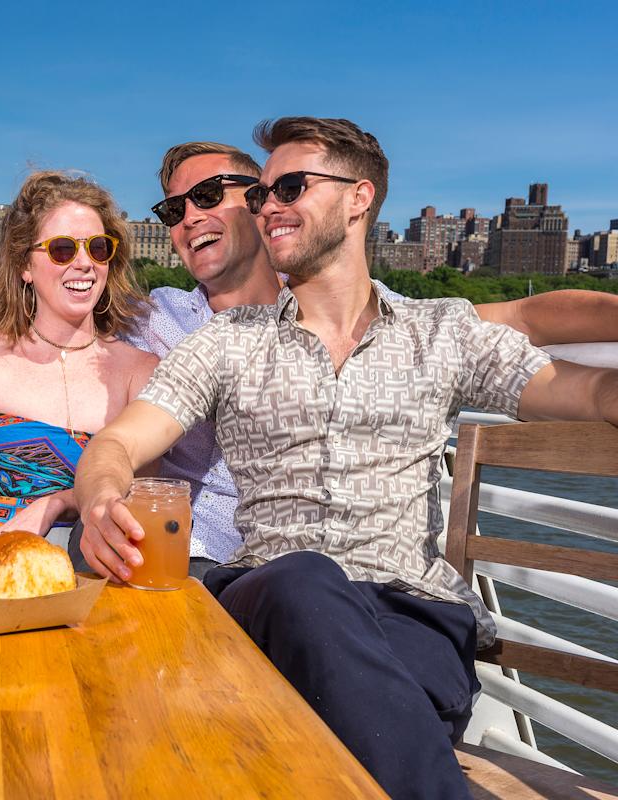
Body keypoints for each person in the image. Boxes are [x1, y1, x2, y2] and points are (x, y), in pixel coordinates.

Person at [73, 117, 618, 800]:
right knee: (305, 580)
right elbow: (120, 443)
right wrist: (100, 498)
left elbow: (584, 387)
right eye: (261, 193)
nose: (267, 205)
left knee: (344, 717)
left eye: (290, 187)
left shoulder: (441, 331)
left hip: (408, 616)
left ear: (359, 197)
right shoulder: (224, 343)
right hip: (270, 599)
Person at [93, 139, 618, 576]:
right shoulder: (154, 317)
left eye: (207, 195)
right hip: (204, 561)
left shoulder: (356, 310)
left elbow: (526, 318)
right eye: (172, 209)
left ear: (262, 203)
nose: (188, 217)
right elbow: (48, 331)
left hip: (345, 575)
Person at [0, 172, 157, 557]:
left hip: (92, 573)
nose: (84, 264)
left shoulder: (140, 372)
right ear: (24, 266)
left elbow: (142, 503)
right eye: (62, 250)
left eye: (98, 248)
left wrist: (58, 502)